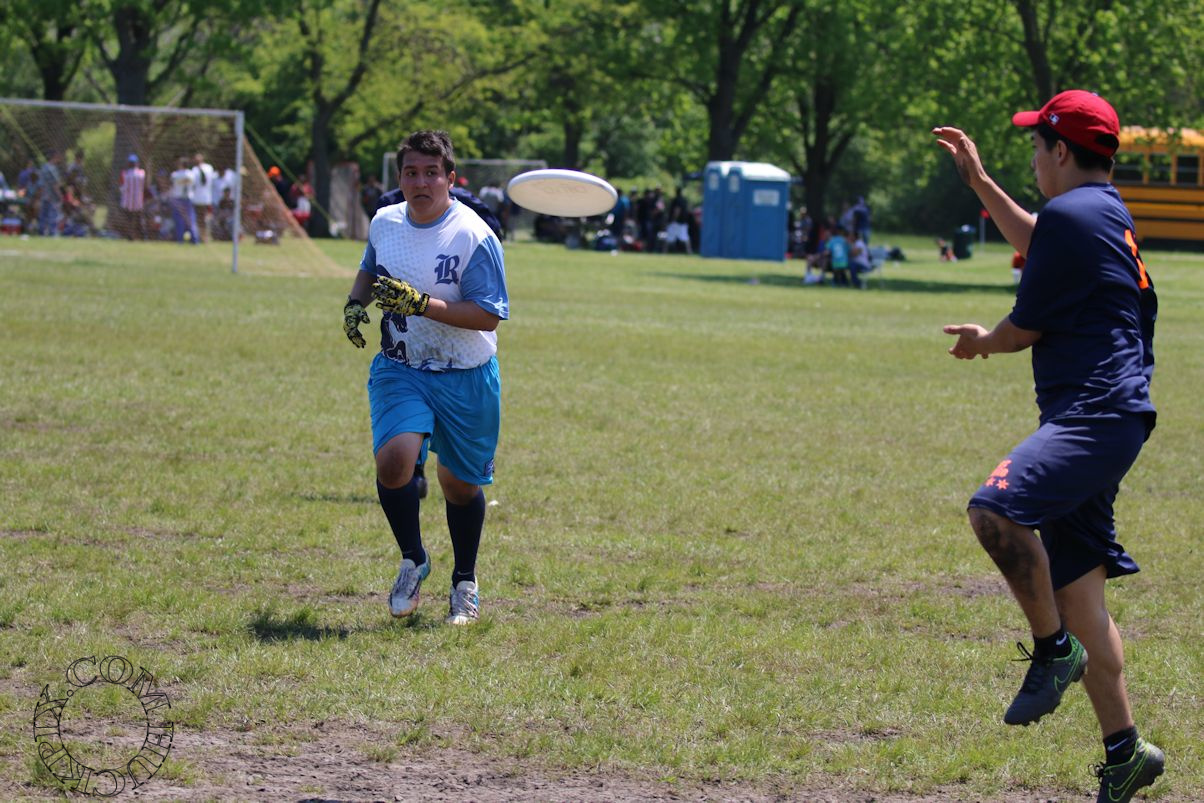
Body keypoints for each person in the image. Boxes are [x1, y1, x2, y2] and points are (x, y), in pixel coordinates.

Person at [934, 90, 1163, 803]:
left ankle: (1052, 650)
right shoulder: (1103, 211)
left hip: (1092, 415)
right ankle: (1125, 753)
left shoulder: (1072, 216)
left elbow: (1022, 327)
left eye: (1037, 147)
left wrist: (983, 342)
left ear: (1061, 151)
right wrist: (980, 181)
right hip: (1115, 415)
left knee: (995, 508)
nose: (1033, 159)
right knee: (1077, 590)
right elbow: (1041, 239)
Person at [343, 129, 508, 627]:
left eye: (431, 173)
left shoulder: (473, 235)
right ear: (400, 178)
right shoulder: (385, 222)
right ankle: (413, 559)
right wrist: (355, 304)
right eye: (411, 173)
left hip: (466, 373)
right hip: (402, 365)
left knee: (458, 485)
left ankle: (464, 582)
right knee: (395, 462)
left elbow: (488, 315)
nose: (421, 182)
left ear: (450, 179)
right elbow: (371, 267)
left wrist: (422, 305)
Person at [117, 153, 147, 240]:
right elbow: (145, 185)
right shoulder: (141, 173)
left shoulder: (124, 174)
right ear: (137, 163)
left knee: (128, 219)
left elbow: (121, 188)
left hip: (127, 202)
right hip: (138, 202)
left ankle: (130, 235)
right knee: (138, 219)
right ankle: (143, 235)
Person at [169, 157, 199, 243]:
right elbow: (194, 186)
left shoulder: (175, 175)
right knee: (191, 220)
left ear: (181, 165)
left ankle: (180, 239)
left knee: (179, 220)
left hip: (178, 199)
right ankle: (194, 239)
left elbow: (171, 185)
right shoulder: (192, 174)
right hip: (189, 198)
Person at [190, 152, 218, 242]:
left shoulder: (208, 168)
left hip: (206, 198)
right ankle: (199, 236)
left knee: (206, 218)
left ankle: (206, 236)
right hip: (197, 199)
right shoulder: (194, 170)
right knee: (198, 218)